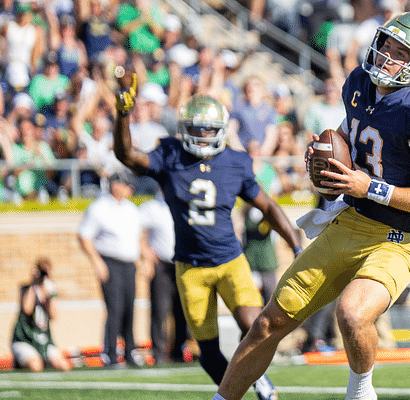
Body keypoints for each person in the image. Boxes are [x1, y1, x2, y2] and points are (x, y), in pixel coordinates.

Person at [212, 11, 410, 400]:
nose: (385, 56)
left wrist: (368, 186)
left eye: (399, 52)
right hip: (349, 224)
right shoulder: (359, 84)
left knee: (352, 313)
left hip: (396, 239)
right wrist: (328, 153)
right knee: (267, 324)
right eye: (385, 45)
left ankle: (361, 392)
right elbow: (351, 133)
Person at [112, 78, 303, 399]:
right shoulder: (170, 154)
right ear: (184, 128)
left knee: (256, 328)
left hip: (230, 261)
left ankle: (261, 383)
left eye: (209, 129)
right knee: (208, 352)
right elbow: (127, 155)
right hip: (191, 268)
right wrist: (123, 114)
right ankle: (236, 390)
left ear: (222, 129)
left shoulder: (235, 162)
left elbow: (268, 205)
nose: (202, 135)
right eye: (196, 129)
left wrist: (296, 245)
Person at [77, 172, 144, 367]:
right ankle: (111, 352)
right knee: (114, 308)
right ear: (116, 186)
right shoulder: (99, 208)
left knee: (129, 308)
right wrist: (97, 262)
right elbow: (84, 236)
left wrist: (143, 259)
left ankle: (129, 351)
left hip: (128, 264)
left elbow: (138, 236)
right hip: (110, 262)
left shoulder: (131, 208)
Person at [138, 187, 188, 364]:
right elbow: (134, 230)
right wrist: (145, 253)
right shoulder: (151, 207)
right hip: (161, 264)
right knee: (160, 310)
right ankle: (159, 353)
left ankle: (178, 352)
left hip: (183, 264)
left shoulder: (183, 203)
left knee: (182, 310)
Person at [11, 257, 72, 372]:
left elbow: (54, 316)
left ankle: (44, 360)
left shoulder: (49, 291)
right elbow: (27, 309)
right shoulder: (26, 289)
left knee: (64, 365)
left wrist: (51, 295)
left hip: (43, 340)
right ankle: (22, 362)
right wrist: (34, 283)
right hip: (25, 339)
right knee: (36, 366)